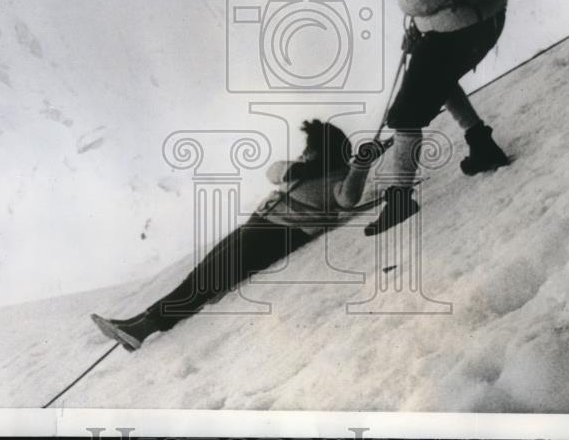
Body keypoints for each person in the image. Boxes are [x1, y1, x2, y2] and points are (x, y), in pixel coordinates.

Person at [91, 119, 383, 351]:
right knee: (200, 274)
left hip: (279, 234)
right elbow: (274, 172)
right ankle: (137, 323)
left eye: (310, 148)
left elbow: (347, 200)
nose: (304, 152)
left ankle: (142, 329)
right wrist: (305, 165)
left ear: (326, 149)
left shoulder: (339, 176)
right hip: (256, 225)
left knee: (209, 280)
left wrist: (360, 167)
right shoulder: (301, 169)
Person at [344, 0, 515, 236]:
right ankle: (481, 145)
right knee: (434, 74)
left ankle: (400, 198)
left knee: (406, 112)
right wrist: (422, 30)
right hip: (489, 15)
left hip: (463, 28)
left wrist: (407, 8)